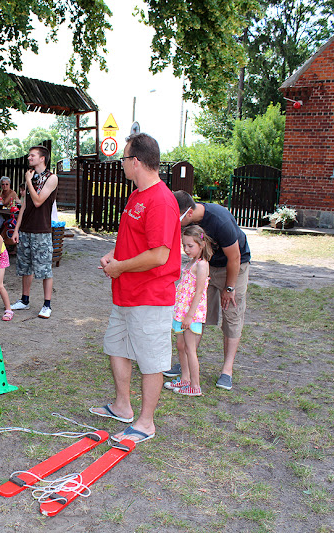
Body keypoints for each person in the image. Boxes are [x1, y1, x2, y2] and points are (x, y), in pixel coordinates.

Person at [89, 133, 181, 444]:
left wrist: (120, 267)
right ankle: (122, 407)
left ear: (136, 161)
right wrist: (113, 256)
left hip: (150, 296)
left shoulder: (161, 200)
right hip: (126, 292)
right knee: (116, 348)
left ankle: (146, 423)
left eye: (124, 158)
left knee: (151, 360)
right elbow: (133, 241)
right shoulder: (136, 195)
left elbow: (159, 256)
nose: (123, 164)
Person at [173, 190, 251, 391]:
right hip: (205, 267)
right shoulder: (189, 223)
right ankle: (187, 365)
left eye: (177, 217)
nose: (175, 222)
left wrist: (229, 287)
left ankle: (227, 370)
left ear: (189, 213)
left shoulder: (220, 220)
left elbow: (234, 257)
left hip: (232, 266)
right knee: (197, 315)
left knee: (231, 314)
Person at [11, 145, 58, 319]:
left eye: (32, 155)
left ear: (42, 158)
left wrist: (28, 181)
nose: (29, 158)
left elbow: (38, 201)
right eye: (29, 155)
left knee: (45, 269)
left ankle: (47, 305)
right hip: (25, 230)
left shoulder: (51, 178)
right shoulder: (32, 176)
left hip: (41, 230)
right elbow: (25, 205)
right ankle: (24, 300)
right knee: (25, 268)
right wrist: (16, 229)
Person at [164, 225, 212, 397]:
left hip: (191, 315)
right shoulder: (190, 263)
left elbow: (199, 292)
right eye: (184, 245)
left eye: (190, 246)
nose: (186, 249)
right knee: (181, 345)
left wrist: (190, 316)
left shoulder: (202, 265)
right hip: (181, 312)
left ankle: (195, 385)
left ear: (202, 244)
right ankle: (185, 379)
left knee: (190, 349)